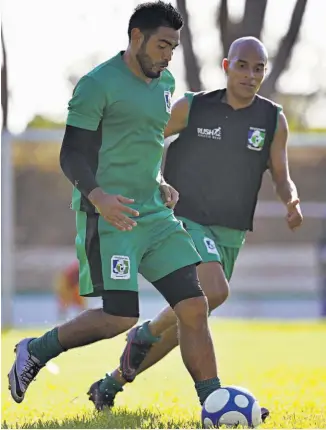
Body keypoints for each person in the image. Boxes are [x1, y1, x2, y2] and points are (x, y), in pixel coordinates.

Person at [8, 1, 222, 411]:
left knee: (195, 305)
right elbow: (71, 155)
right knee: (119, 318)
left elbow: (145, 141)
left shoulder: (165, 84)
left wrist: (159, 181)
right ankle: (35, 350)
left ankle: (215, 404)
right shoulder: (97, 84)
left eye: (173, 47)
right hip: (111, 217)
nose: (168, 55)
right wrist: (99, 197)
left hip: (156, 217)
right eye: (162, 45)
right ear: (136, 37)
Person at [93, 36, 303, 415]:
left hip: (230, 232)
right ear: (226, 66)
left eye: (259, 68)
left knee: (190, 319)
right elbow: (150, 138)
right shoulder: (192, 106)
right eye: (242, 65)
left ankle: (111, 383)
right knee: (213, 293)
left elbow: (281, 174)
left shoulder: (273, 119)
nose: (250, 74)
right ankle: (199, 384)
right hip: (183, 218)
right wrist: (154, 180)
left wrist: (292, 200)